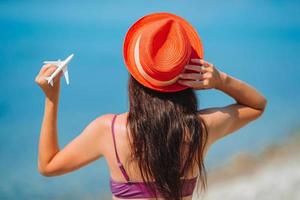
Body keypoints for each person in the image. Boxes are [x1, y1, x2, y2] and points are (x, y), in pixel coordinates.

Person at [35, 12, 267, 200]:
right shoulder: (201, 128)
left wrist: (51, 98)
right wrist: (221, 80)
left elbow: (48, 165)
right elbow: (257, 105)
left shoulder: (109, 131)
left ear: (136, 76)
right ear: (186, 77)